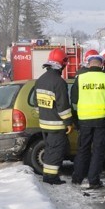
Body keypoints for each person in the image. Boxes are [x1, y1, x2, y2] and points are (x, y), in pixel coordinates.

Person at [70, 52, 105, 190]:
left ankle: (77, 178)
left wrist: (75, 117)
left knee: (83, 149)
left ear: (89, 64)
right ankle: (93, 180)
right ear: (101, 64)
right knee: (98, 150)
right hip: (102, 119)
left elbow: (73, 99)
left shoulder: (80, 78)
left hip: (84, 119)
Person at [34, 48, 74, 185]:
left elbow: (36, 102)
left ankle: (47, 175)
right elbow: (63, 106)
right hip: (56, 125)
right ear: (61, 64)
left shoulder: (40, 80)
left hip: (44, 124)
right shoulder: (59, 82)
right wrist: (69, 122)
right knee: (56, 151)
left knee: (50, 150)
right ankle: (51, 178)